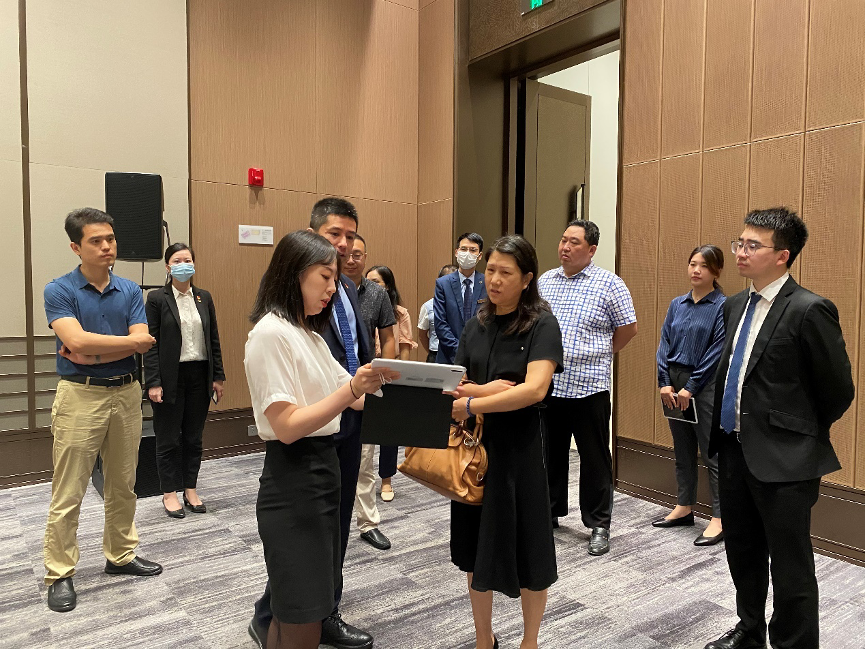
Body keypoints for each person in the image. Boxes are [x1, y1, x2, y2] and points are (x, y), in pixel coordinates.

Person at [704, 208, 854, 650]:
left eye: (753, 245)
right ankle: (749, 630)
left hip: (786, 459)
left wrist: (796, 435)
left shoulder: (809, 309)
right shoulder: (734, 305)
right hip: (733, 449)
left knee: (791, 566)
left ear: (783, 255)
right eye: (739, 242)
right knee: (743, 552)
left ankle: (794, 643)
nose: (740, 252)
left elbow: (838, 390)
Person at [244, 230, 399, 650]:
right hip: (293, 478)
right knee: (302, 615)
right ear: (294, 274)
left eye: (335, 279)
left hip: (323, 472)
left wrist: (427, 397)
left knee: (301, 609)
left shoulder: (309, 335)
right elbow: (287, 426)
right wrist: (352, 390)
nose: (333, 288)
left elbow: (356, 398)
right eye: (325, 277)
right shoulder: (271, 333)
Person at [41, 207, 162, 613]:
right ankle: (60, 572)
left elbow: (141, 340)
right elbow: (76, 342)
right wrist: (116, 345)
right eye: (96, 240)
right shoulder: (59, 290)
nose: (107, 246)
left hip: (126, 393)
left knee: (123, 483)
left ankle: (121, 554)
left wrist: (91, 351)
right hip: (80, 394)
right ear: (76, 247)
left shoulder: (129, 290)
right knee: (70, 488)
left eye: (110, 238)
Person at [448, 235, 563, 650]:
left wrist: (474, 401)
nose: (494, 280)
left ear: (527, 278)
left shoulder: (542, 324)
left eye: (505, 273)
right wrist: (487, 390)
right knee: (473, 550)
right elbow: (456, 383)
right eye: (490, 270)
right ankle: (485, 639)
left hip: (520, 452)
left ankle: (530, 642)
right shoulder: (476, 324)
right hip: (473, 451)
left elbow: (534, 390)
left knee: (530, 552)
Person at [537, 220, 637, 556]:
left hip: (589, 386)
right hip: (551, 384)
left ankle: (598, 524)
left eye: (574, 242)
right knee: (550, 453)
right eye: (563, 240)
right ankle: (549, 512)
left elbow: (628, 328)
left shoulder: (609, 284)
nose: (565, 247)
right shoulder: (546, 281)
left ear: (591, 249)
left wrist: (599, 353)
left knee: (594, 457)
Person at [144, 243, 226, 518]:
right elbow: (151, 345)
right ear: (168, 267)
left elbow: (213, 338)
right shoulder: (157, 299)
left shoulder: (204, 297)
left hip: (200, 375)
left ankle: (190, 489)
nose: (183, 265)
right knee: (168, 439)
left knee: (193, 438)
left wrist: (218, 376)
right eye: (177, 261)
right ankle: (169, 493)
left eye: (187, 260)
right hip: (169, 378)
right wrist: (153, 381)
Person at [655, 245, 726, 545]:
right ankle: (684, 507)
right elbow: (664, 343)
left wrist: (691, 387)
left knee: (712, 453)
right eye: (692, 263)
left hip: (704, 385)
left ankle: (720, 518)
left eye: (704, 266)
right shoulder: (677, 304)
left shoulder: (722, 306)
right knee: (682, 449)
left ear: (716, 271)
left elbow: (718, 350)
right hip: (673, 383)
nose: (696, 270)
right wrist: (664, 382)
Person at [342, 235, 396, 550]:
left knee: (365, 459)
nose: (351, 259)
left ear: (366, 257)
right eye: (347, 254)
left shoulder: (377, 294)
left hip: (365, 383)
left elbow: (388, 337)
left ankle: (368, 523)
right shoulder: (328, 288)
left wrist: (384, 374)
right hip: (330, 383)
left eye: (358, 254)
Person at [363, 264, 418, 503]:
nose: (371, 286)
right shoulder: (360, 306)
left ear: (388, 286)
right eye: (369, 282)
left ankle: (386, 479)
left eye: (376, 282)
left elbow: (404, 347)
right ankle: (361, 478)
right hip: (365, 371)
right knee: (361, 430)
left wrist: (400, 378)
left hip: (390, 373)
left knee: (388, 432)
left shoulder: (400, 313)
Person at [433, 233, 487, 364]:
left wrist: (475, 353)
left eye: (473, 250)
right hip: (448, 356)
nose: (467, 253)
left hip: (479, 357)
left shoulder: (487, 283)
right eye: (463, 249)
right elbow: (440, 324)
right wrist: (460, 352)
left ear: (479, 255)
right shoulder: (443, 284)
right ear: (456, 252)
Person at [419, 264, 458, 362]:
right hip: (435, 354)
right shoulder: (428, 306)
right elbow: (422, 335)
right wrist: (432, 353)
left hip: (459, 354)